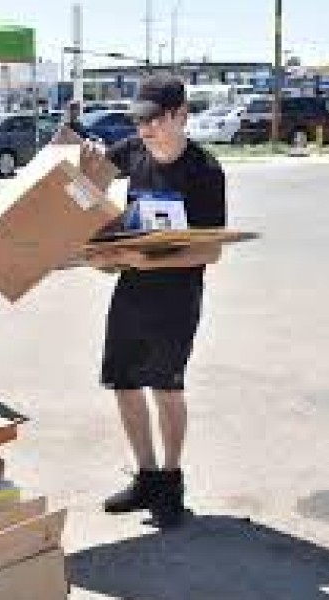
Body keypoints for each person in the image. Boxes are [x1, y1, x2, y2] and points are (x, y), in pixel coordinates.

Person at [88, 74, 227, 527]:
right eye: (140, 120)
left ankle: (171, 480)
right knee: (124, 383)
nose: (145, 130)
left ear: (181, 115)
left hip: (176, 297)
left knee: (166, 387)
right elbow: (83, 183)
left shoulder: (204, 171)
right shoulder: (131, 151)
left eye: (154, 120)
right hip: (130, 290)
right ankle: (146, 476)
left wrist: (148, 263)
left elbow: (210, 250)